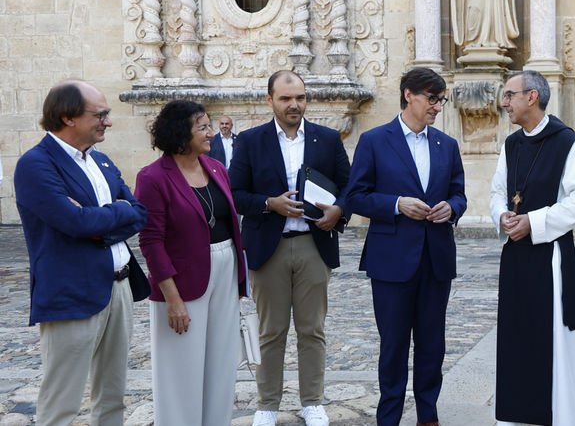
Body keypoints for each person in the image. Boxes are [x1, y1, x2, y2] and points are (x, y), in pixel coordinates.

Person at [14, 80, 150, 426]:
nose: (108, 121)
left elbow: (138, 213)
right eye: (100, 114)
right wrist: (111, 214)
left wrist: (98, 220)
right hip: (71, 292)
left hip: (119, 288)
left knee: (113, 396)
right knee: (62, 402)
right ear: (67, 117)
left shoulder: (100, 161)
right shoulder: (36, 164)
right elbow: (74, 222)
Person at [345, 67, 467, 426]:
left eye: (441, 100)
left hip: (436, 258)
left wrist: (452, 209)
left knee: (433, 344)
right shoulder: (374, 140)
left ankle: (428, 415)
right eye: (432, 99)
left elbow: (459, 193)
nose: (438, 107)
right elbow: (355, 196)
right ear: (409, 95)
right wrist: (397, 204)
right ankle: (389, 418)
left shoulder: (447, 145)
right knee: (394, 346)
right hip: (391, 260)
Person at [229, 70, 351, 426]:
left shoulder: (327, 139)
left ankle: (312, 401)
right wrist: (270, 204)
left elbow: (349, 186)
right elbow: (234, 194)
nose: (294, 104)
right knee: (271, 331)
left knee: (312, 330)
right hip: (269, 248)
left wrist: (339, 211)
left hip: (314, 245)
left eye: (299, 97)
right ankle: (267, 405)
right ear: (270, 100)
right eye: (285, 98)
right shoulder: (250, 141)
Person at [490, 69, 575, 426]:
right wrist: (503, 215)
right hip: (516, 257)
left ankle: (560, 416)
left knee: (551, 339)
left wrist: (533, 223)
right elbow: (497, 191)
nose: (504, 102)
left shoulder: (567, 143)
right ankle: (516, 418)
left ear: (532, 97)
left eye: (510, 95)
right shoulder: (512, 144)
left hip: (550, 256)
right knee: (516, 336)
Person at [136, 99, 247, 426]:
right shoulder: (153, 177)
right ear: (181, 133)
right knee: (180, 369)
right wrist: (172, 299)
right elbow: (151, 241)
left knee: (221, 363)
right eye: (203, 127)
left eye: (209, 126)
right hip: (180, 280)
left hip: (225, 270)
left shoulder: (216, 168)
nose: (211, 133)